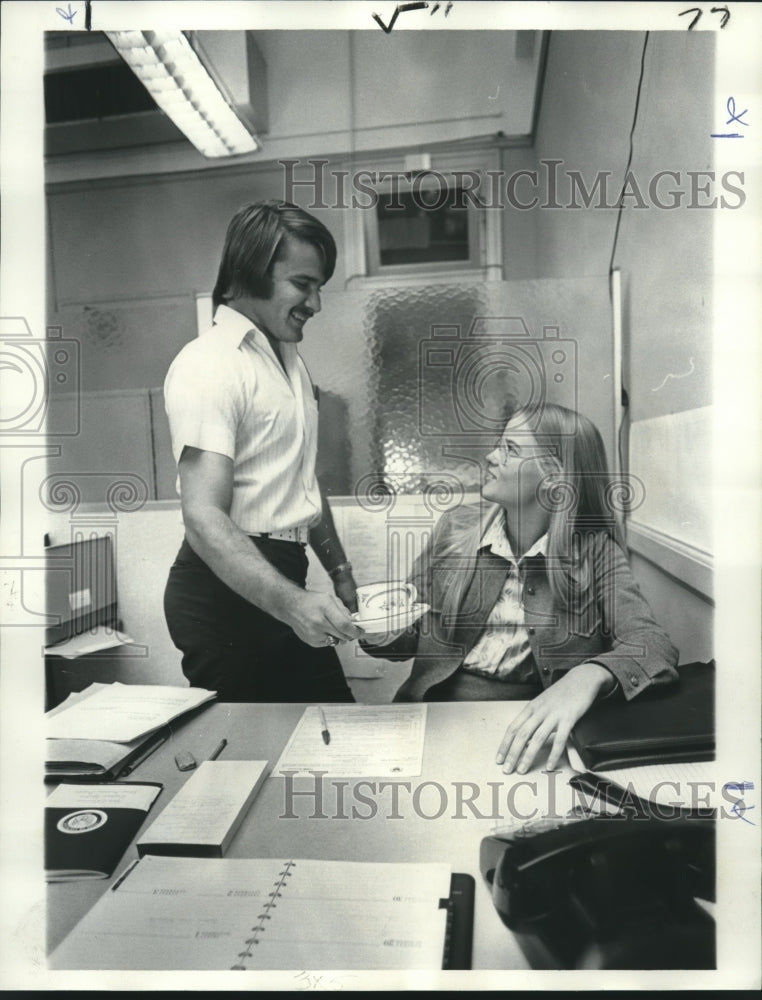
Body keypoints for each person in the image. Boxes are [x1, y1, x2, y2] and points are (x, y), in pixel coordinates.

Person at [361, 403, 679, 772]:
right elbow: (407, 632)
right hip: (430, 721)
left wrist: (588, 675)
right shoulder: (455, 527)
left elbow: (654, 646)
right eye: (499, 444)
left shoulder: (596, 553)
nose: (491, 456)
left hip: (526, 733)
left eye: (510, 449)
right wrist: (377, 631)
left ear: (553, 478)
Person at [163, 200, 363, 703]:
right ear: (251, 272)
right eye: (303, 284)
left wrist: (339, 571)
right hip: (222, 592)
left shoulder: (290, 364)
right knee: (247, 758)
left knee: (336, 734)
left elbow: (303, 484)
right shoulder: (209, 363)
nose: (315, 304)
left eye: (319, 287)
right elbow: (204, 517)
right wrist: (294, 604)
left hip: (281, 573)